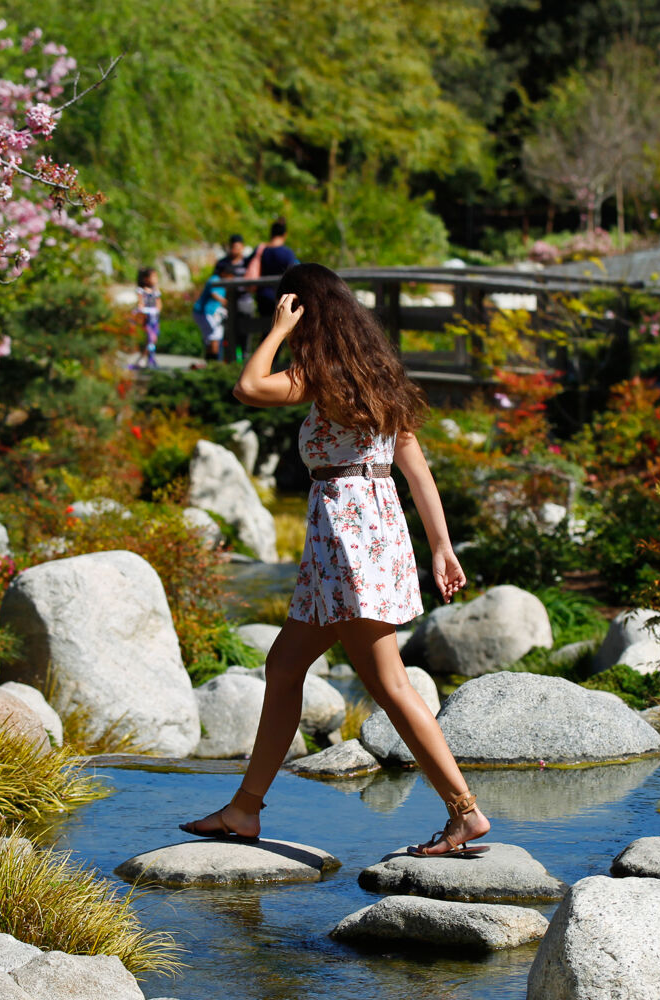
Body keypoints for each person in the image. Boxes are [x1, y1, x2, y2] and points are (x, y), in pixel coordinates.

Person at [178, 262, 490, 858]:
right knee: (285, 664)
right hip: (360, 537)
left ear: (303, 311)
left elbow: (247, 386)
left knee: (390, 683)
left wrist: (272, 331)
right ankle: (245, 809)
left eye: (291, 311)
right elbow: (416, 473)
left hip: (348, 540)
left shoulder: (321, 377)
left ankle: (466, 813)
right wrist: (441, 547)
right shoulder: (373, 376)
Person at [251, 217, 298, 321]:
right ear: (284, 234)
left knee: (264, 328)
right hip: (281, 295)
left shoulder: (261, 250)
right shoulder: (287, 253)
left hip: (262, 294)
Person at [193, 260, 232, 362]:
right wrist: (225, 302)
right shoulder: (216, 280)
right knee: (215, 336)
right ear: (224, 273)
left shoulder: (218, 280)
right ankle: (214, 363)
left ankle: (210, 363)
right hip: (207, 312)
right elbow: (213, 293)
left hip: (208, 312)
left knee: (210, 337)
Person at [130, 266, 161, 369]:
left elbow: (159, 304)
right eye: (154, 277)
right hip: (146, 318)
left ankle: (148, 358)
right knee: (150, 338)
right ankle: (145, 358)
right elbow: (141, 303)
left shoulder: (155, 291)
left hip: (154, 318)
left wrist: (156, 310)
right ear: (146, 279)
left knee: (153, 339)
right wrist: (141, 311)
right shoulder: (141, 291)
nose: (156, 279)